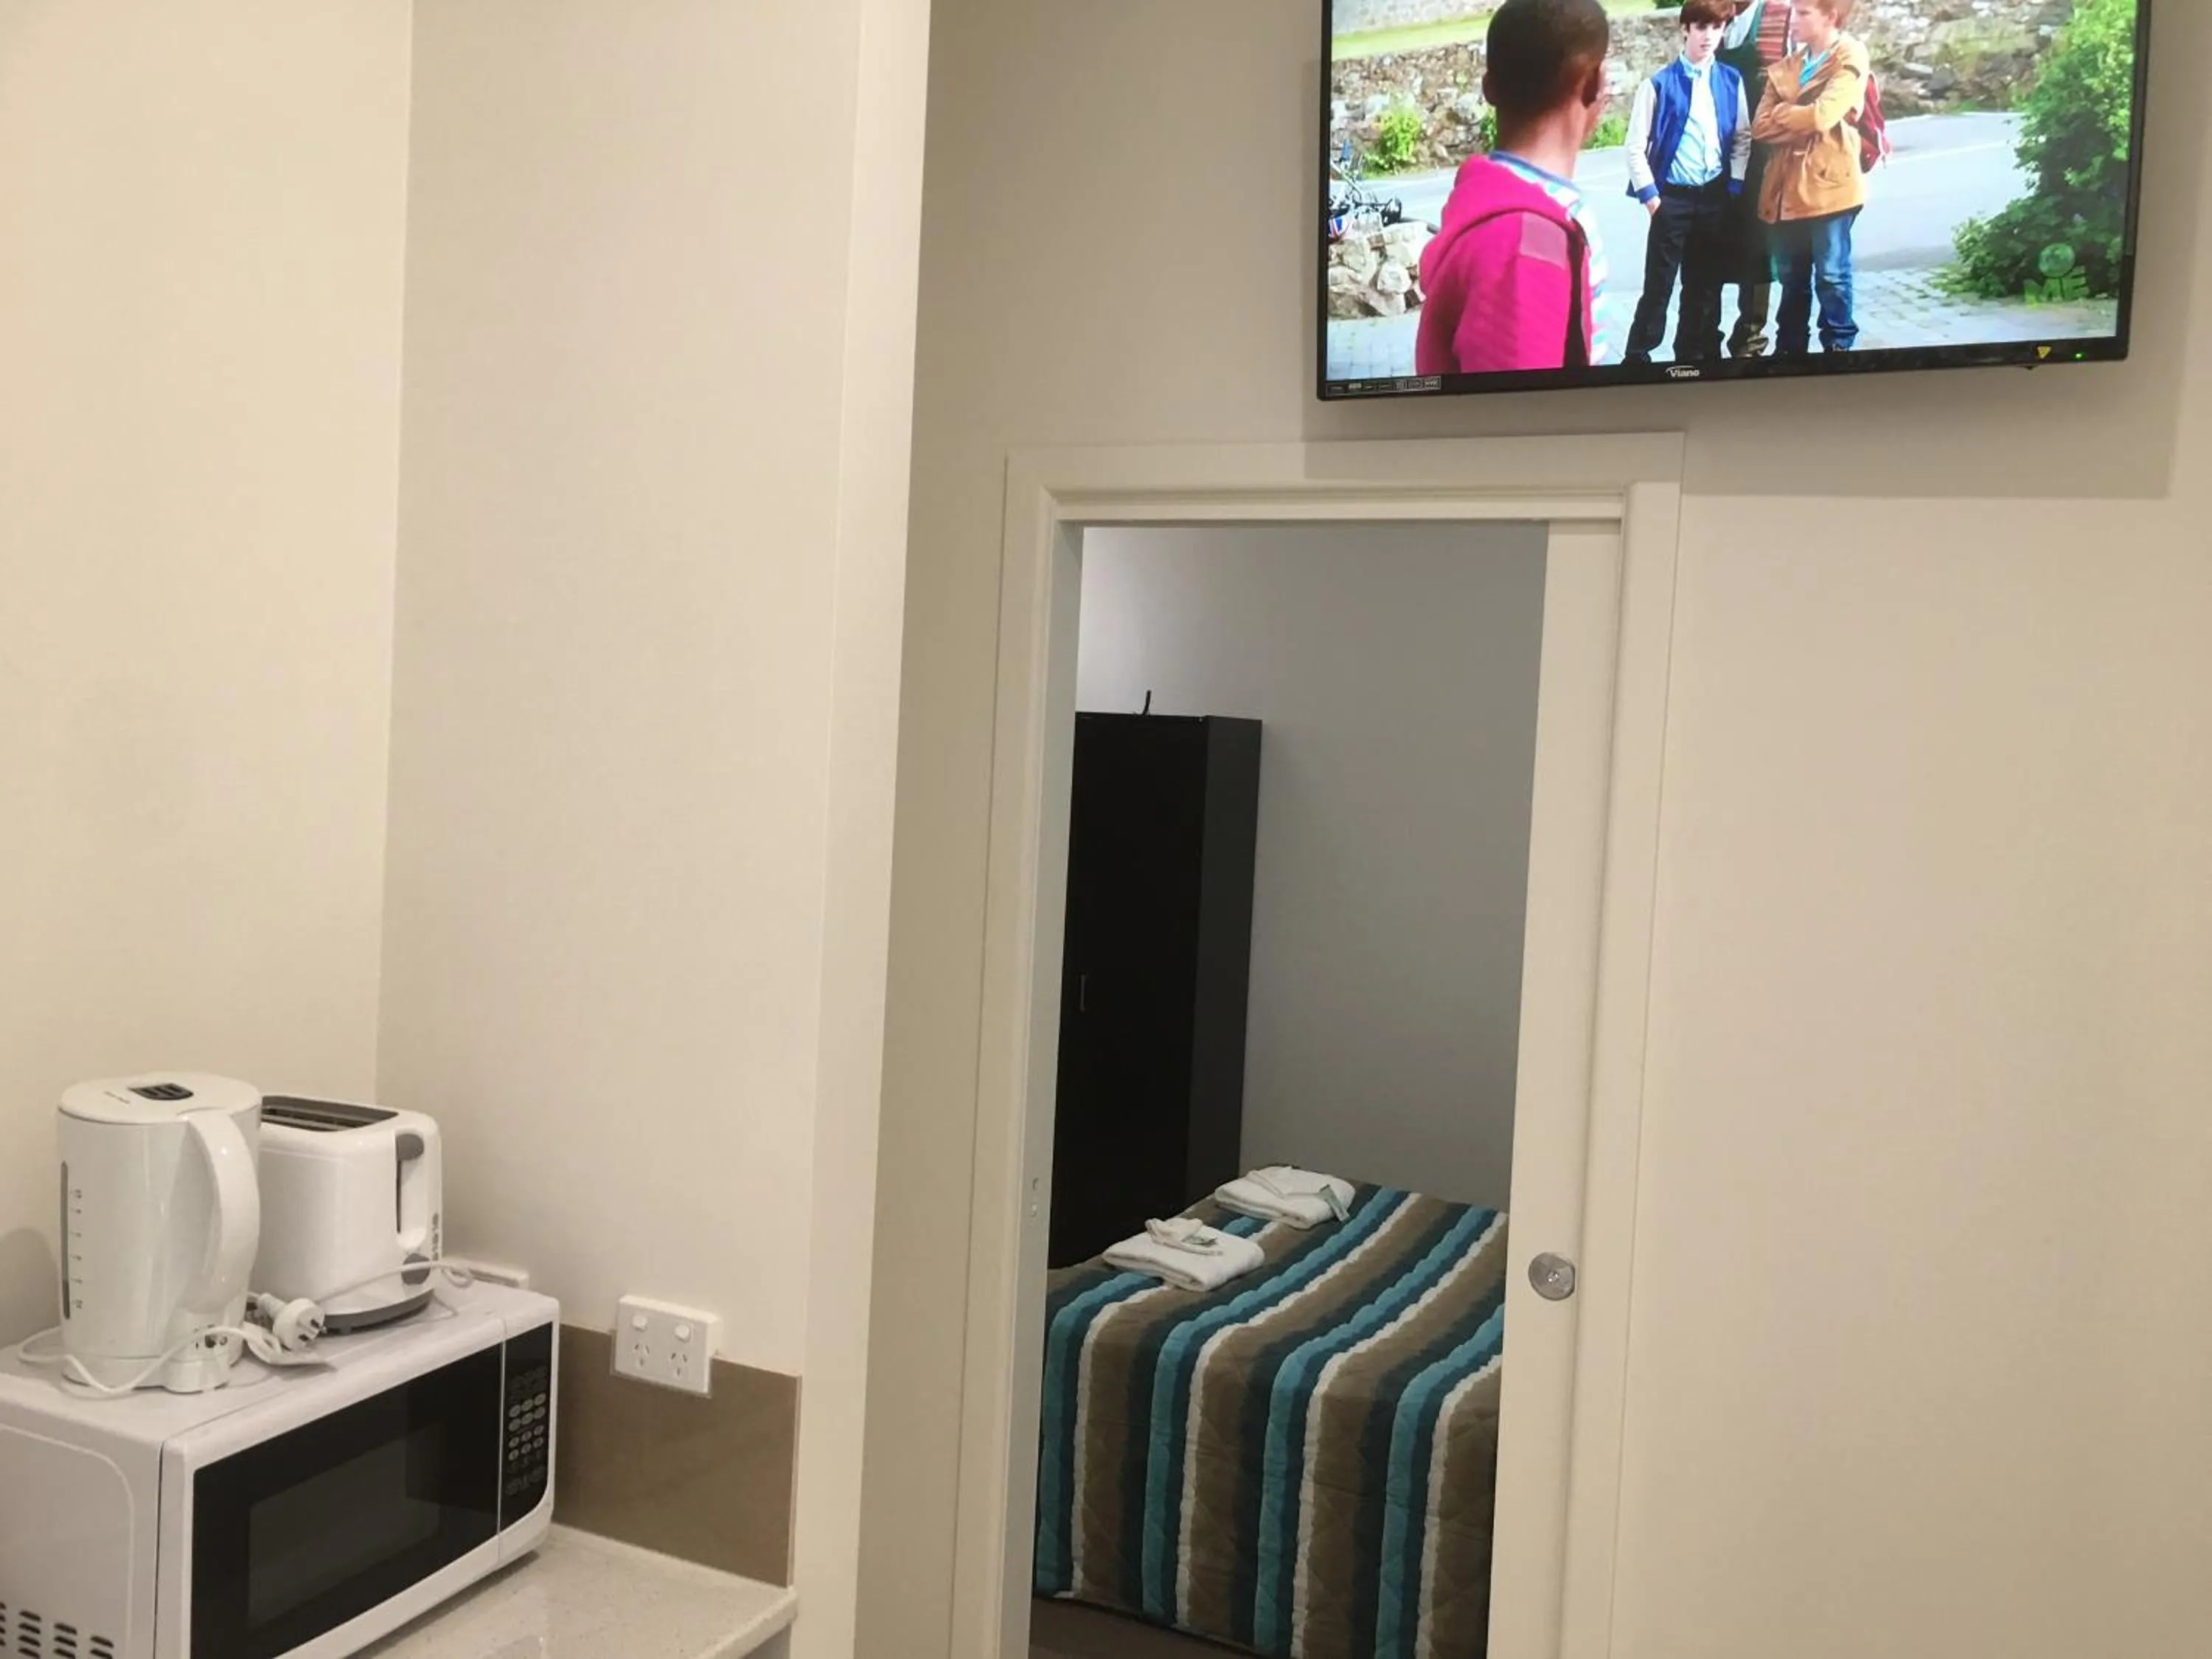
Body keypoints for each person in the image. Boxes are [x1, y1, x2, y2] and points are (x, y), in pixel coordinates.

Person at [1416, 0, 1615, 376]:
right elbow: (1520, 426)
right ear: (1594, 83)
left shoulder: (1493, 202)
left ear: (1489, 88)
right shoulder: (1526, 241)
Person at [1621, 0, 1751, 364]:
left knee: (1705, 285)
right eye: (1701, 27)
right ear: (1685, 30)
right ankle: (1638, 355)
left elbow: (1742, 135)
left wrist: (1735, 184)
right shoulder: (1658, 85)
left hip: (1714, 198)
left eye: (1716, 28)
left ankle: (1695, 354)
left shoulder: (1730, 80)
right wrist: (1652, 199)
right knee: (1659, 285)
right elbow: (1635, 147)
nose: (1708, 36)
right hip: (1672, 200)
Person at [1751, 0, 1869, 353]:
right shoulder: (1788, 66)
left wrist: (1785, 114)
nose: (1793, 20)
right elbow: (1759, 128)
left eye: (1804, 13)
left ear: (1830, 16)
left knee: (1832, 275)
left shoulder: (1848, 56)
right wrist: (1801, 116)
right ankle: (1790, 350)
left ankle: (1838, 347)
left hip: (1830, 184)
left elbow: (1823, 116)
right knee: (1791, 277)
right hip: (1785, 188)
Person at [1719, 0, 1798, 355]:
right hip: (1716, 152)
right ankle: (1702, 335)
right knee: (1712, 243)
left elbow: (1798, 83)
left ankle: (1750, 338)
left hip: (1763, 154)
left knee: (1757, 245)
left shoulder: (1778, 16)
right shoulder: (1714, 16)